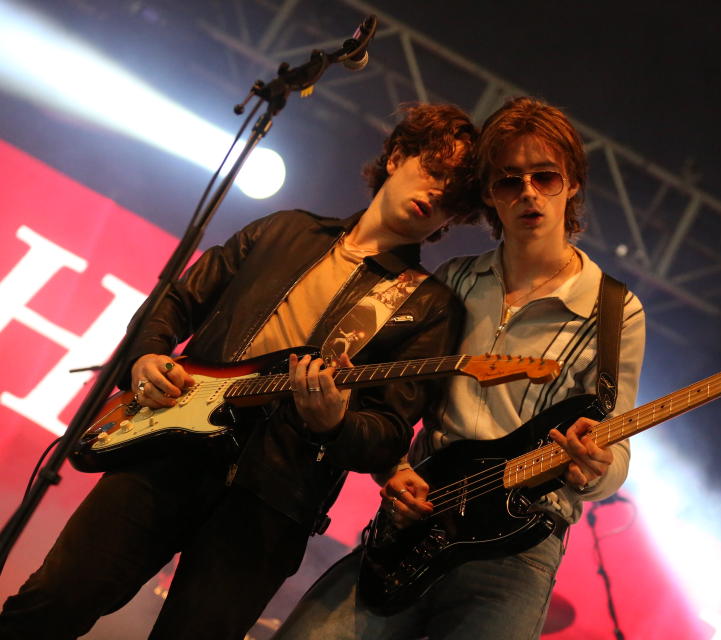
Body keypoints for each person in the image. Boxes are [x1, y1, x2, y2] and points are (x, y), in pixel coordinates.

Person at [0, 103, 477, 640]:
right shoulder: (285, 230)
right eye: (436, 171)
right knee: (52, 603)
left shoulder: (430, 306)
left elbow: (387, 434)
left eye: (456, 196)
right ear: (396, 156)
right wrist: (146, 358)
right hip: (166, 455)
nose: (439, 194)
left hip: (270, 505)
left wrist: (334, 424)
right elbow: (175, 301)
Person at [273, 96, 645, 639]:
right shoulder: (455, 281)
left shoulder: (615, 311)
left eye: (545, 177)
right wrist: (393, 470)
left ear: (574, 183)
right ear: (490, 199)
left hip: (520, 548)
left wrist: (595, 467)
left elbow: (616, 456)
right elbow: (398, 406)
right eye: (508, 182)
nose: (528, 194)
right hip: (421, 521)